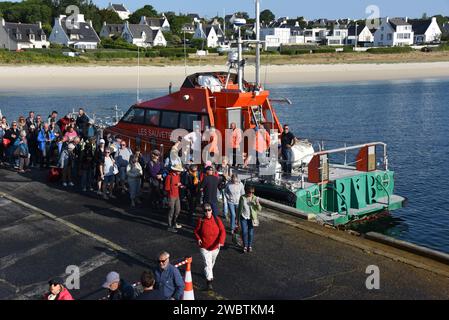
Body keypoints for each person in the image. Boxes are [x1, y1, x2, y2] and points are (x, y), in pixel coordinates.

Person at [194, 203, 226, 291]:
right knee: (208, 264)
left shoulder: (217, 219)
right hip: (204, 247)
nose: (208, 212)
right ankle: (209, 282)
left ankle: (208, 273)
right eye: (205, 211)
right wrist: (198, 238)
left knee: (211, 263)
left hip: (215, 247)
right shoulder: (201, 220)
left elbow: (222, 230)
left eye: (209, 210)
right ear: (203, 212)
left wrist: (221, 241)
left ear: (212, 210)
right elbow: (196, 231)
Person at [237, 186, 262, 253]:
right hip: (243, 217)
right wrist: (237, 219)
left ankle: (249, 246)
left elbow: (259, 209)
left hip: (251, 218)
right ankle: (245, 246)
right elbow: (239, 208)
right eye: (249, 192)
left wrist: (257, 203)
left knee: (250, 233)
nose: (251, 193)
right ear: (246, 191)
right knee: (244, 232)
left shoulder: (255, 198)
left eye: (252, 192)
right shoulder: (242, 197)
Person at [165, 163, 184, 233]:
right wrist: (176, 185)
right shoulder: (169, 177)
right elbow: (167, 188)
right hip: (171, 195)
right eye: (179, 170)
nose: (180, 172)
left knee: (178, 210)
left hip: (177, 195)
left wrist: (180, 185)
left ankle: (174, 223)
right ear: (175, 170)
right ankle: (169, 226)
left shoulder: (178, 176)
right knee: (171, 210)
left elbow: (178, 183)